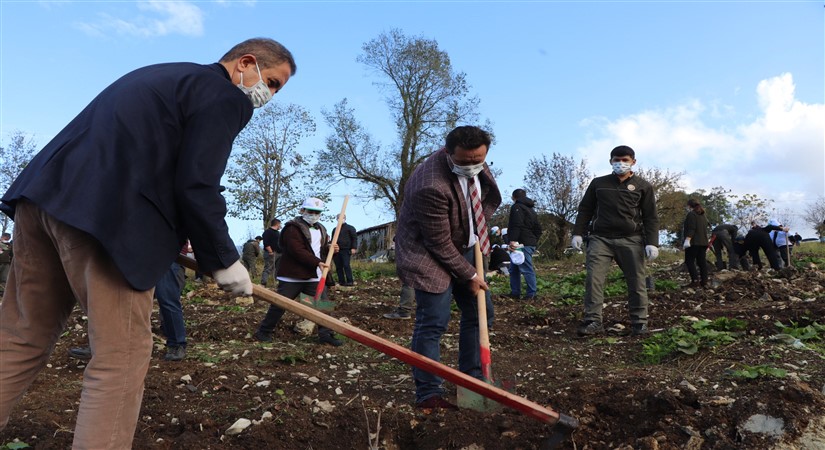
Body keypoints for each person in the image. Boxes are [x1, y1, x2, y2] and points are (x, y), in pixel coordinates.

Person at [0, 38, 296, 448]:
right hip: (107, 219)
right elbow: (197, 183)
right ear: (246, 63)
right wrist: (224, 259)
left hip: (43, 200)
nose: (271, 96)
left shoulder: (163, 74)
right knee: (121, 355)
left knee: (21, 336)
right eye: (275, 83)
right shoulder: (225, 94)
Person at [395, 125, 501, 409]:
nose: (472, 166)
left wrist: (476, 238)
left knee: (481, 313)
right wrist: (470, 274)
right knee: (434, 321)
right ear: (448, 153)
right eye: (465, 161)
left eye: (478, 159)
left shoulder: (478, 163)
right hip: (426, 252)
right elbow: (438, 244)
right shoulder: (430, 184)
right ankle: (429, 393)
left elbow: (486, 199)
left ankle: (473, 380)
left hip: (465, 245)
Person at [571, 145, 659, 337]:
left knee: (636, 281)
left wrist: (652, 242)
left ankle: (639, 323)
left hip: (631, 240)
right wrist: (578, 232)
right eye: (616, 160)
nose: (621, 163)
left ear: (633, 162)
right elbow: (585, 209)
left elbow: (650, 216)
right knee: (594, 279)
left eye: (625, 160)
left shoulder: (643, 186)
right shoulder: (598, 183)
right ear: (610, 161)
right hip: (600, 239)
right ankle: (593, 321)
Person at [253, 197, 343, 347]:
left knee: (322, 304)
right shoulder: (292, 228)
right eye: (311, 211)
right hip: (292, 276)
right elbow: (297, 250)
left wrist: (331, 249)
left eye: (317, 212)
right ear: (302, 211)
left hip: (314, 276)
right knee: (280, 305)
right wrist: (316, 262)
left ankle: (326, 334)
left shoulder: (321, 228)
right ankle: (264, 331)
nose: (314, 214)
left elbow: (320, 249)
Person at [506, 189, 542, 300]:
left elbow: (516, 225)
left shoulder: (517, 207)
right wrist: (534, 241)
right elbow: (538, 229)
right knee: (514, 268)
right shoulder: (531, 210)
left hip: (521, 244)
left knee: (526, 268)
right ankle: (515, 292)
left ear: (514, 197)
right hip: (528, 242)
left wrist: (512, 240)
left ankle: (531, 294)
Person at [682, 199, 710, 288]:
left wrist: (687, 240)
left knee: (689, 261)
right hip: (703, 242)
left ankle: (695, 281)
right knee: (701, 262)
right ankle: (704, 281)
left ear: (689, 206)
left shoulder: (691, 214)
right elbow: (706, 229)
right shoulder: (703, 215)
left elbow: (692, 228)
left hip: (694, 242)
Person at [333, 214, 358, 286]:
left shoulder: (350, 228)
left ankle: (350, 281)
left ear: (345, 218)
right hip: (336, 251)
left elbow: (354, 238)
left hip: (346, 250)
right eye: (338, 218)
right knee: (338, 266)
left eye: (342, 218)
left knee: (346, 265)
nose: (340, 219)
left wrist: (354, 247)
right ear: (336, 219)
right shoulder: (335, 229)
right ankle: (341, 281)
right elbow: (333, 240)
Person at [260, 218, 283, 287]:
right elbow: (266, 243)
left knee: (278, 268)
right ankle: (263, 283)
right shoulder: (267, 232)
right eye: (280, 224)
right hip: (271, 253)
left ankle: (276, 282)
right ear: (277, 224)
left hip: (279, 253)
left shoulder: (278, 233)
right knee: (268, 268)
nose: (280, 226)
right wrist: (270, 252)